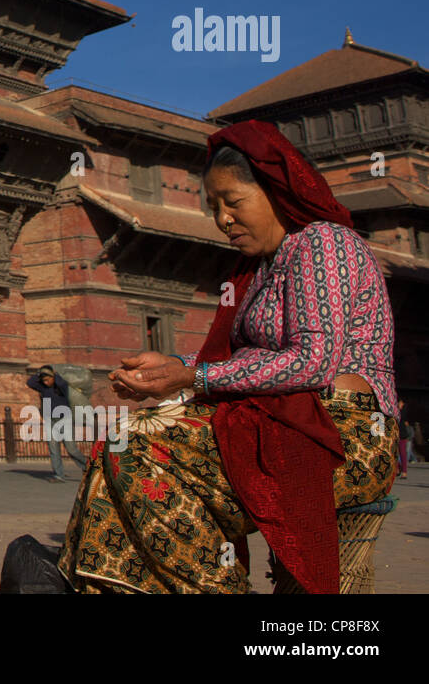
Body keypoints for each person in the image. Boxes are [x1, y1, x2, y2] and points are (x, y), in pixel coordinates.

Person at [58, 120, 398, 593]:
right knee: (112, 451)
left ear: (277, 192)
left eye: (233, 203)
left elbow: (312, 360)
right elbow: (240, 357)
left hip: (344, 434)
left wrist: (191, 378)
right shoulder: (257, 271)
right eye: (213, 207)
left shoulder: (323, 243)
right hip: (281, 421)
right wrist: (171, 365)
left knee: (136, 447)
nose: (222, 220)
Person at [27, 366, 87, 482]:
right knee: (54, 449)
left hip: (65, 419)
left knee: (71, 449)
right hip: (50, 421)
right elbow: (30, 382)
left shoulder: (61, 387)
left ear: (53, 377)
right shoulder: (43, 388)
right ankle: (58, 475)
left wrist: (54, 373)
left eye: (48, 379)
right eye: (43, 380)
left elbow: (60, 381)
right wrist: (39, 372)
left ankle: (88, 467)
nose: (46, 382)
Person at [398, 399, 413, 478]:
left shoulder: (403, 412)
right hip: (395, 434)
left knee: (402, 453)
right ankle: (398, 467)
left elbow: (405, 421)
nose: (398, 404)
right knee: (393, 453)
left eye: (400, 402)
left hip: (402, 434)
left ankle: (404, 471)